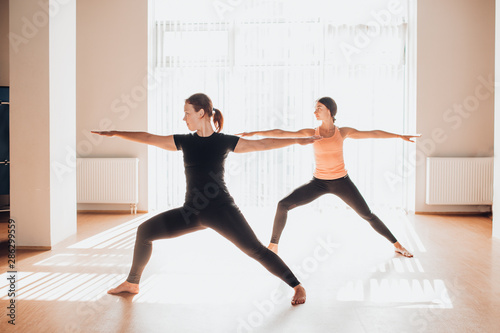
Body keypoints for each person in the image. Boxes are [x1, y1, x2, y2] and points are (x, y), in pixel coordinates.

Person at [92, 93, 321, 305]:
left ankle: (298, 286)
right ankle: (132, 283)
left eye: (187, 113)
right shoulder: (185, 141)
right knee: (145, 231)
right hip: (191, 212)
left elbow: (262, 143)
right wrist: (116, 133)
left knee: (256, 250)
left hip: (221, 210)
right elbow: (150, 138)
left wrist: (296, 140)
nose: (184, 118)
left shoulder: (223, 142)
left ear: (201, 113)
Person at [238, 97, 418, 258]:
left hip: (342, 182)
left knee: (367, 215)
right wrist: (253, 134)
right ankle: (273, 246)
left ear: (329, 111)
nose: (314, 111)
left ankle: (398, 245)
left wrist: (399, 136)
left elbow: (374, 133)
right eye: (315, 108)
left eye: (318, 108)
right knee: (283, 205)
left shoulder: (343, 132)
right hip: (319, 183)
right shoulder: (312, 132)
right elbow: (281, 132)